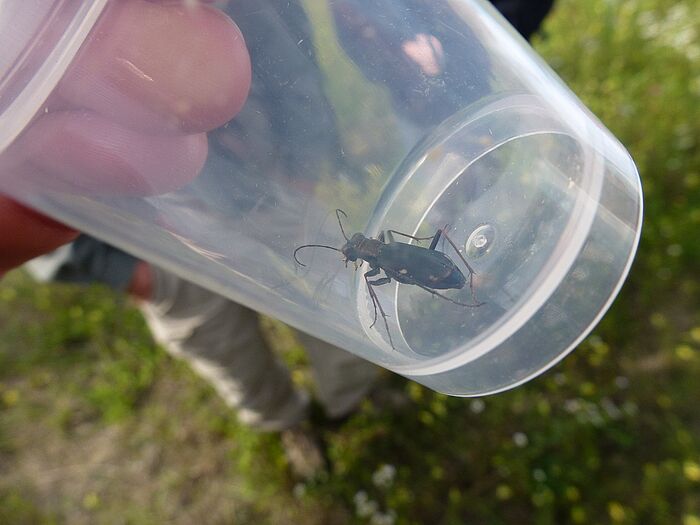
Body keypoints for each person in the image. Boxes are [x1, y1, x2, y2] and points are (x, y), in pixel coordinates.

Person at [0, 0, 554, 479]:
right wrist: (113, 265)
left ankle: (355, 395)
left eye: (355, 249)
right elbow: (36, 176)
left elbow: (283, 44)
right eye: (357, 249)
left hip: (272, 189)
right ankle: (282, 421)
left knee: (336, 304)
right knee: (214, 334)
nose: (356, 251)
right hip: (144, 236)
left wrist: (306, 154)